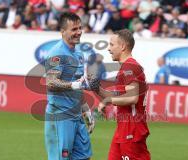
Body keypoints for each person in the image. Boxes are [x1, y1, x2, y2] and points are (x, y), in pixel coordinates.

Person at [44, 12, 99, 160]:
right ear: (62, 31)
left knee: (84, 157)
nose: (79, 32)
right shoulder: (56, 53)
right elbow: (51, 82)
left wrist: (85, 109)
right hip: (61, 116)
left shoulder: (79, 52)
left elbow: (78, 83)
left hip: (77, 115)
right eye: (74, 29)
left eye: (80, 28)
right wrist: (73, 85)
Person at [98, 29, 150, 160]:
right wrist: (98, 91)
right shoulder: (127, 67)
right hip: (123, 127)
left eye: (111, 44)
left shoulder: (130, 67)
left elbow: (132, 98)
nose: (109, 49)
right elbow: (119, 96)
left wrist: (108, 100)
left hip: (131, 128)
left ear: (122, 46)